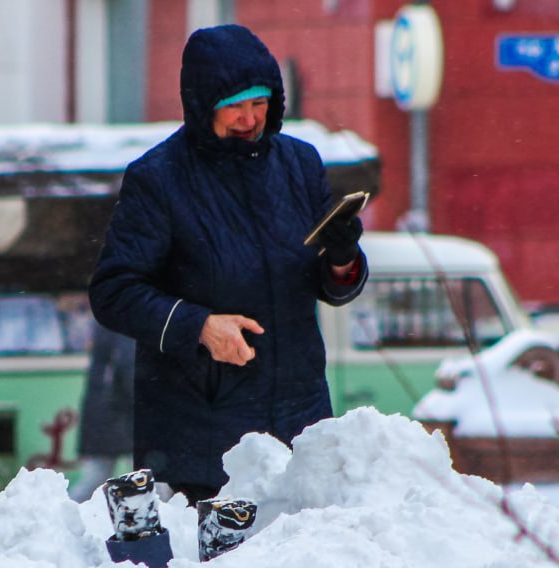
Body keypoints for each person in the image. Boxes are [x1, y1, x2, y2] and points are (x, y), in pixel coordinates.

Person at [89, 23, 368, 505]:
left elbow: (330, 285)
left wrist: (343, 259)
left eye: (260, 103)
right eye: (234, 106)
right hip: (201, 434)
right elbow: (113, 291)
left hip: (300, 422)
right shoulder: (158, 179)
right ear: (201, 105)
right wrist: (199, 326)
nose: (249, 118)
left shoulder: (299, 165)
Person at [68, 321, 137, 502]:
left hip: (103, 414)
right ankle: (61, 516)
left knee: (94, 479)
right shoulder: (126, 325)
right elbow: (129, 370)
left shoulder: (108, 321)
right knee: (147, 479)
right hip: (119, 414)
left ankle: (63, 516)